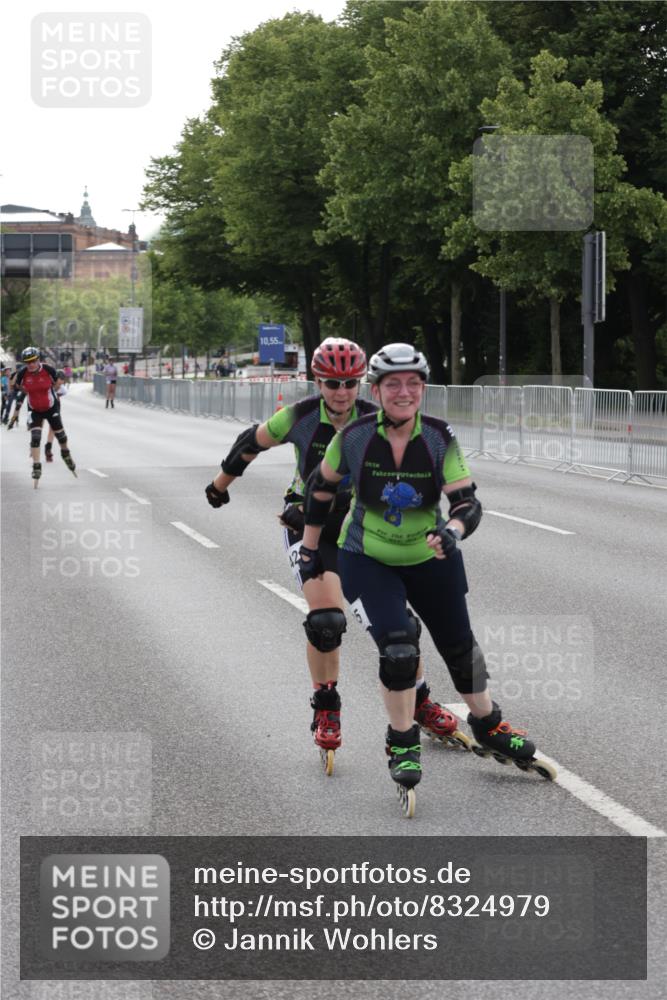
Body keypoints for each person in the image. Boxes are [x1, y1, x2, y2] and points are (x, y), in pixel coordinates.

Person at [300, 343, 554, 814]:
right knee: (399, 649)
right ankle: (402, 741)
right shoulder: (355, 436)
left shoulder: (439, 437)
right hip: (366, 558)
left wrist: (453, 531)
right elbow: (320, 488)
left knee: (460, 647)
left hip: (432, 554)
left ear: (423, 388)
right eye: (393, 384)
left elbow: (467, 502)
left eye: (413, 383)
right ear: (377, 390)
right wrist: (311, 550)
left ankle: (488, 724)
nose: (404, 392)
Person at [11, 347, 76, 482]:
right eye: (27, 362)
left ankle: (65, 453)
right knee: (35, 437)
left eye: (33, 361)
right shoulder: (23, 373)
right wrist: (26, 390)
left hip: (51, 407)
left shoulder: (47, 369)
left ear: (38, 359)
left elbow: (59, 381)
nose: (30, 364)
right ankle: (36, 466)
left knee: (61, 436)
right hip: (34, 409)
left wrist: (54, 388)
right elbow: (16, 386)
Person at [44, 370, 69, 463]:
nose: (61, 382)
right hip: (46, 407)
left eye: (63, 380)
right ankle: (39, 446)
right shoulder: (49, 386)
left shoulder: (62, 388)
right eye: (60, 379)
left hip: (55, 407)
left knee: (53, 429)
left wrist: (57, 395)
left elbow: (62, 394)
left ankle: (48, 448)